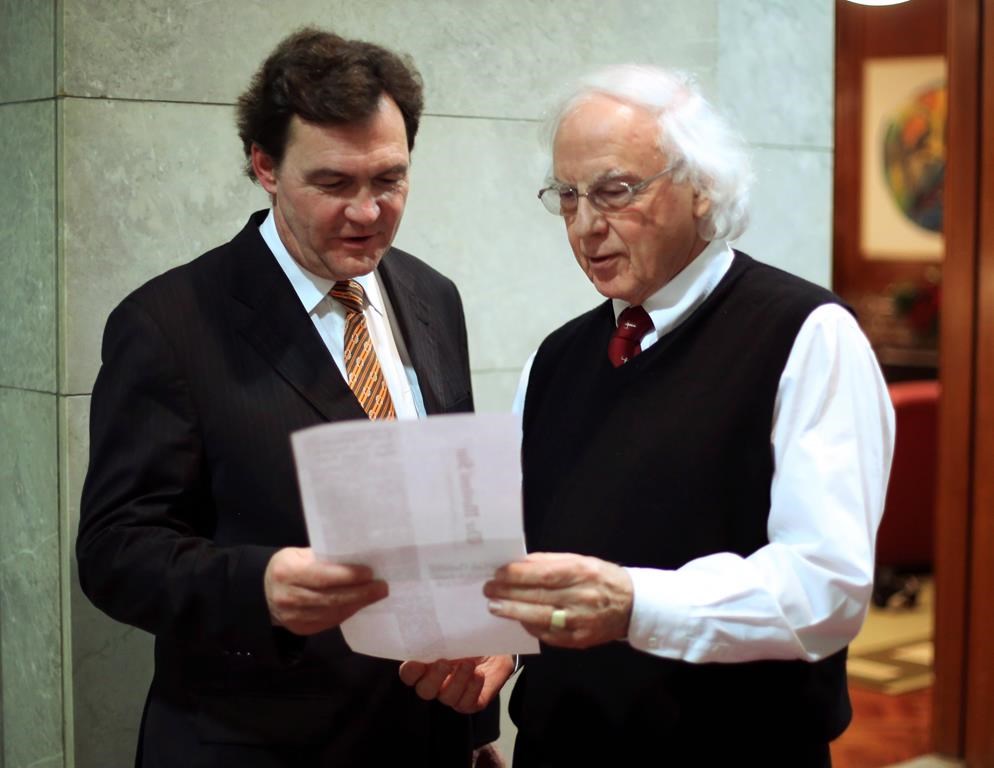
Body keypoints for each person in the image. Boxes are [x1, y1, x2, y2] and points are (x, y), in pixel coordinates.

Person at [76, 27, 510, 767]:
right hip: (258, 745)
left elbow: (453, 527)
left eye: (390, 180)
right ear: (265, 166)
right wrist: (262, 585)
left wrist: (476, 721)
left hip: (426, 736)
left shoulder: (434, 297)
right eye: (334, 184)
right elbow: (115, 552)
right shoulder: (167, 323)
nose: (369, 213)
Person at [478, 66, 895, 766]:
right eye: (568, 196)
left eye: (615, 190)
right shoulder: (554, 359)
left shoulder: (805, 334)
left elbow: (827, 587)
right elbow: (522, 561)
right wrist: (494, 644)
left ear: (704, 187)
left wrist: (635, 604)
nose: (585, 226)